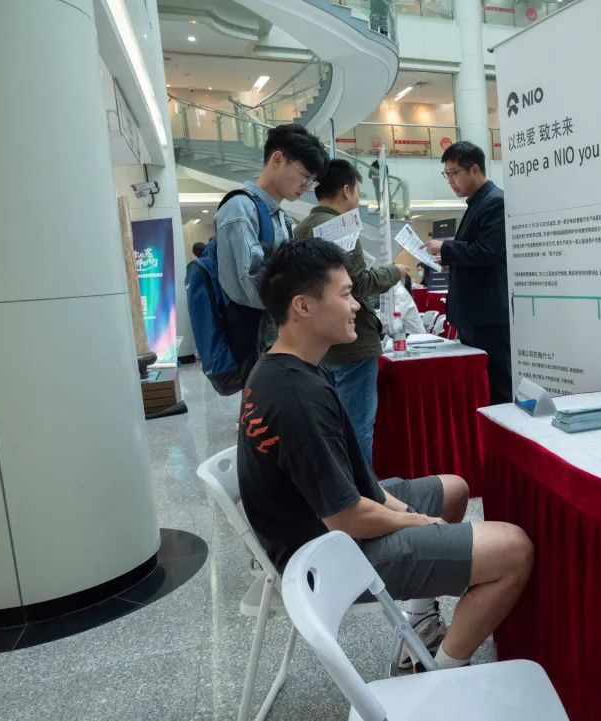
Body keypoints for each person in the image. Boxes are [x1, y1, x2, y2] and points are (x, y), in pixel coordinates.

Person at [238, 238, 534, 672]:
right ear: (303, 306)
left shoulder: (285, 367)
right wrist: (415, 521)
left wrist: (405, 511)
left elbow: (356, 486)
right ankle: (443, 675)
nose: (356, 305)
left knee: (454, 490)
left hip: (328, 526)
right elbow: (346, 517)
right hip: (327, 557)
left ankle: (420, 625)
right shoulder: (295, 396)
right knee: (514, 549)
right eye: (345, 294)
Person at [293, 159, 410, 467]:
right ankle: (361, 490)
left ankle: (340, 486)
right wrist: (395, 271)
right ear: (346, 190)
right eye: (357, 190)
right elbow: (358, 283)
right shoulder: (341, 227)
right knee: (357, 429)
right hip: (353, 342)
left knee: (330, 426)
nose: (358, 198)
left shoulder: (302, 228)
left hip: (320, 343)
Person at [214, 123, 328, 350]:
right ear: (277, 159)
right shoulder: (240, 209)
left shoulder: (280, 217)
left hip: (277, 339)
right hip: (255, 344)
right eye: (304, 176)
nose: (306, 186)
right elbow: (251, 287)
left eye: (311, 180)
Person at [426, 141, 511, 404]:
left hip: (489, 316)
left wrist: (446, 248)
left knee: (498, 387)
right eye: (446, 174)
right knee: (482, 387)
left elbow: (487, 251)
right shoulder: (478, 202)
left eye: (454, 173)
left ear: (474, 169)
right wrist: (449, 260)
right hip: (475, 314)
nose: (450, 181)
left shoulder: (495, 201)